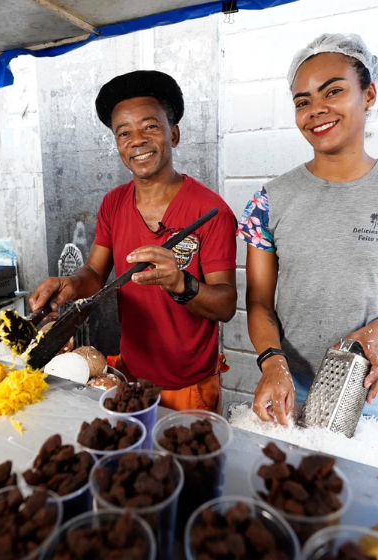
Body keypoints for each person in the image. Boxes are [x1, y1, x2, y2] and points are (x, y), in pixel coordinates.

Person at [237, 34, 378, 457]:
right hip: (291, 386)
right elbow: (260, 302)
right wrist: (272, 364)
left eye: (333, 91)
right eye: (302, 101)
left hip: (374, 388)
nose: (315, 109)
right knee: (293, 506)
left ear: (368, 94)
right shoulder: (270, 200)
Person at [31, 70, 238, 412]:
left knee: (186, 465)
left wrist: (181, 283)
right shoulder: (114, 202)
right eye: (123, 133)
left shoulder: (211, 210)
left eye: (150, 126)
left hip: (189, 386)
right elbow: (95, 274)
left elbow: (226, 304)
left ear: (174, 133)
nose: (136, 140)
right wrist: (69, 284)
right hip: (129, 377)